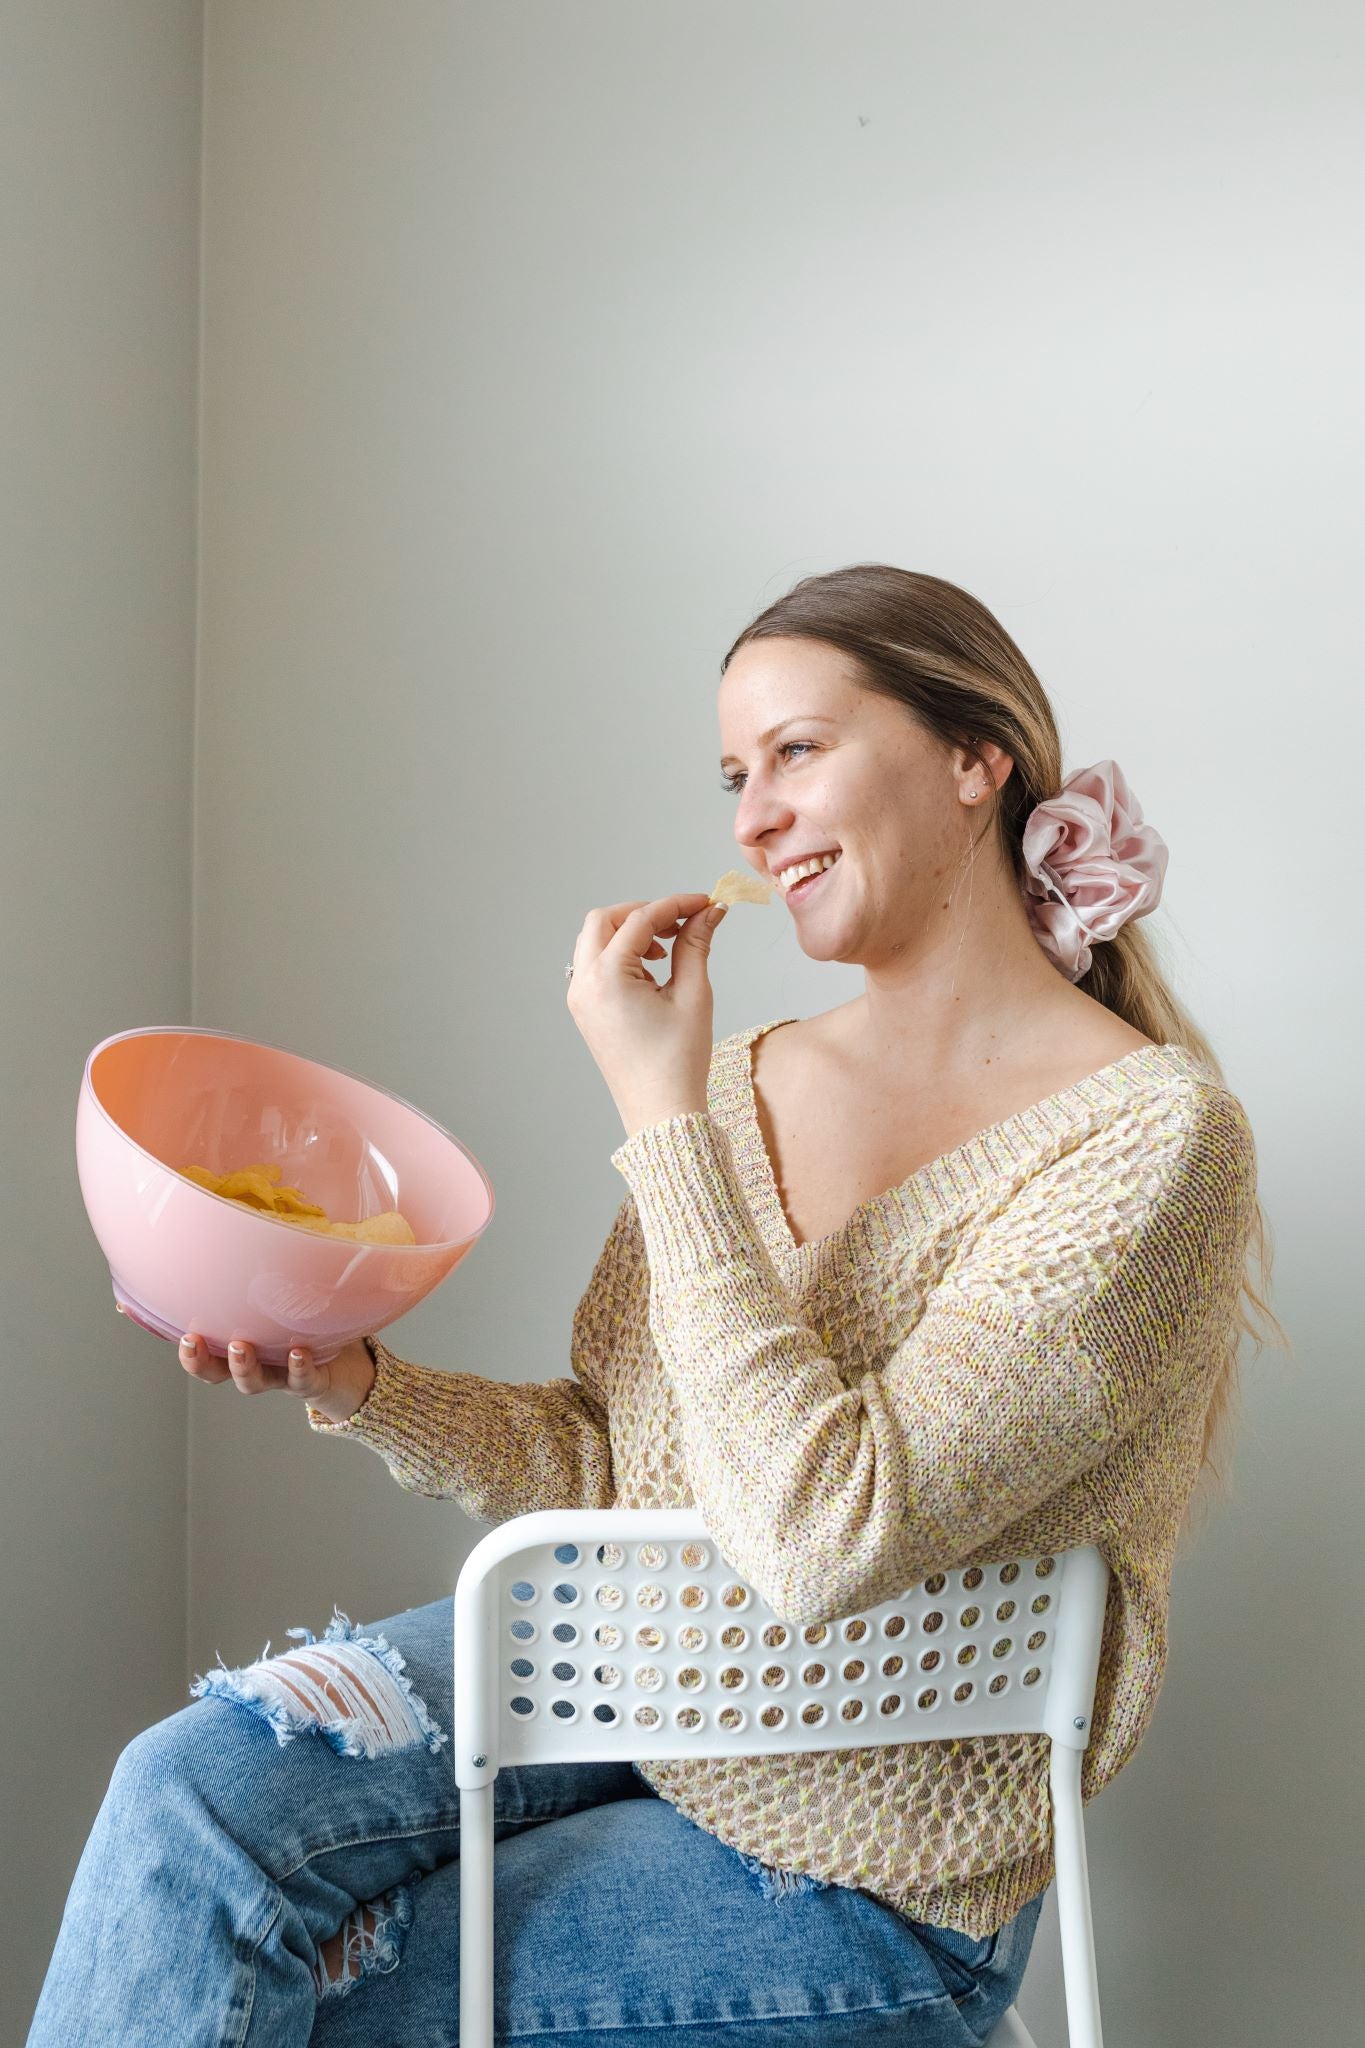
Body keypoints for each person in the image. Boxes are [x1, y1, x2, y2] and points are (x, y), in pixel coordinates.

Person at [30, 565, 1280, 2046]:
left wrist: (659, 1117)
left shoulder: (1145, 1141)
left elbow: (827, 1532)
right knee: (183, 1803)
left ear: (972, 760)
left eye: (797, 751)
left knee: (321, 1974)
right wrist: (362, 1378)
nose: (750, 813)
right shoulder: (742, 1077)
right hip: (630, 1677)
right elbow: (601, 1461)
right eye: (734, 773)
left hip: (851, 1859)